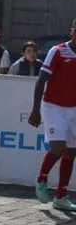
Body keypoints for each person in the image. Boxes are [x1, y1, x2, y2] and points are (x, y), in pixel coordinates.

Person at [28, 18, 76, 211]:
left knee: (72, 152)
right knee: (57, 148)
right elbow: (41, 81)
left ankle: (61, 196)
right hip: (53, 106)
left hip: (74, 108)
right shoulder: (57, 51)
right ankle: (42, 178)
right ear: (72, 30)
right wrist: (35, 108)